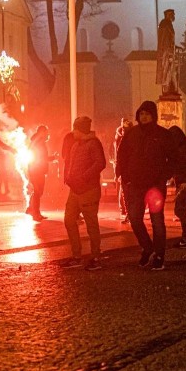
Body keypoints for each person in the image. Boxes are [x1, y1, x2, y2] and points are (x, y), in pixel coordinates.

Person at [116, 100, 174, 271]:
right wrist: (124, 177)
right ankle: (147, 247)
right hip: (135, 184)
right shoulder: (131, 134)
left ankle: (159, 255)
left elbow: (173, 158)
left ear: (153, 116)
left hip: (155, 185)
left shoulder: (163, 134)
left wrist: (163, 177)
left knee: (157, 221)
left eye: (147, 114)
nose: (144, 117)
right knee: (134, 218)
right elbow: (122, 156)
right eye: (141, 114)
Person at [61, 116, 107, 270]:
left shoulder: (93, 144)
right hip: (74, 190)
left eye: (75, 128)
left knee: (91, 224)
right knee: (69, 220)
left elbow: (100, 163)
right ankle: (76, 256)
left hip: (89, 190)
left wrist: (83, 177)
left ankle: (96, 257)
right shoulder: (76, 145)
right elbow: (71, 163)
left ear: (81, 130)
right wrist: (68, 176)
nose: (73, 131)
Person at [26, 125, 53, 221]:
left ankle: (30, 209)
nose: (47, 134)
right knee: (38, 192)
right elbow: (40, 157)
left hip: (36, 170)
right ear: (42, 132)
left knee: (37, 191)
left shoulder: (36, 141)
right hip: (37, 170)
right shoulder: (38, 142)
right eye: (46, 132)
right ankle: (35, 213)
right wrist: (51, 158)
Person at [113, 117, 133, 223]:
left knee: (129, 194)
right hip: (126, 171)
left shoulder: (123, 139)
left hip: (131, 171)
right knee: (126, 193)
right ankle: (129, 213)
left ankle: (130, 213)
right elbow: (119, 157)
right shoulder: (120, 139)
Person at [156, 9, 176, 86]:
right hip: (166, 51)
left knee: (169, 69)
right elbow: (163, 38)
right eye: (173, 14)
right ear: (169, 15)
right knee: (166, 68)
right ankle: (167, 85)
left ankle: (169, 84)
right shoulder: (165, 24)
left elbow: (170, 39)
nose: (174, 16)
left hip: (168, 50)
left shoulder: (168, 23)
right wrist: (165, 49)